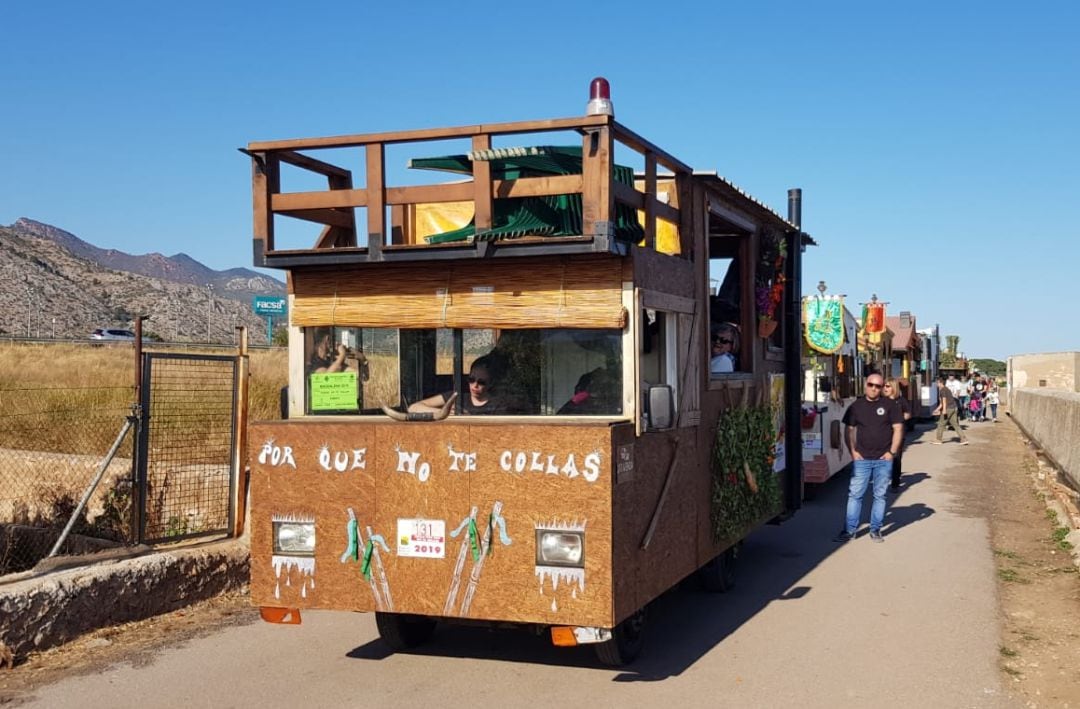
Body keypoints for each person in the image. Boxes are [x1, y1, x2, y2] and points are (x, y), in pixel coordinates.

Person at [835, 373, 904, 543]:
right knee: (855, 495)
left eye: (878, 386)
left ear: (882, 388)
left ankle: (875, 530)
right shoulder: (856, 406)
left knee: (879, 496)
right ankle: (849, 531)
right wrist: (853, 452)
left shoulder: (890, 405)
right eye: (871, 384)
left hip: (883, 460)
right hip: (862, 459)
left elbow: (898, 428)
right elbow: (849, 430)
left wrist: (892, 453)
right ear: (865, 385)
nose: (874, 388)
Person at [408, 355, 510, 416]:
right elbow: (413, 408)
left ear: (490, 383)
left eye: (481, 382)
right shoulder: (456, 397)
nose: (475, 385)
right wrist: (445, 412)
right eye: (471, 380)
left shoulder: (498, 404)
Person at [883, 378, 911, 492]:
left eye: (888, 386)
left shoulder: (901, 401)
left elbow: (908, 414)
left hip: (898, 433)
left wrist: (897, 421)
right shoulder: (881, 401)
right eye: (884, 386)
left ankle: (895, 483)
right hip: (884, 432)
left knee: (896, 457)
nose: (885, 388)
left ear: (894, 388)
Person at [932, 376, 968, 445]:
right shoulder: (947, 389)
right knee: (955, 424)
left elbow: (944, 402)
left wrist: (944, 411)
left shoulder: (942, 390)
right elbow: (942, 403)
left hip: (948, 409)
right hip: (954, 408)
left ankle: (938, 439)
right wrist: (936, 410)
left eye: (937, 383)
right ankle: (963, 438)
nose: (936, 384)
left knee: (941, 424)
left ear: (940, 383)